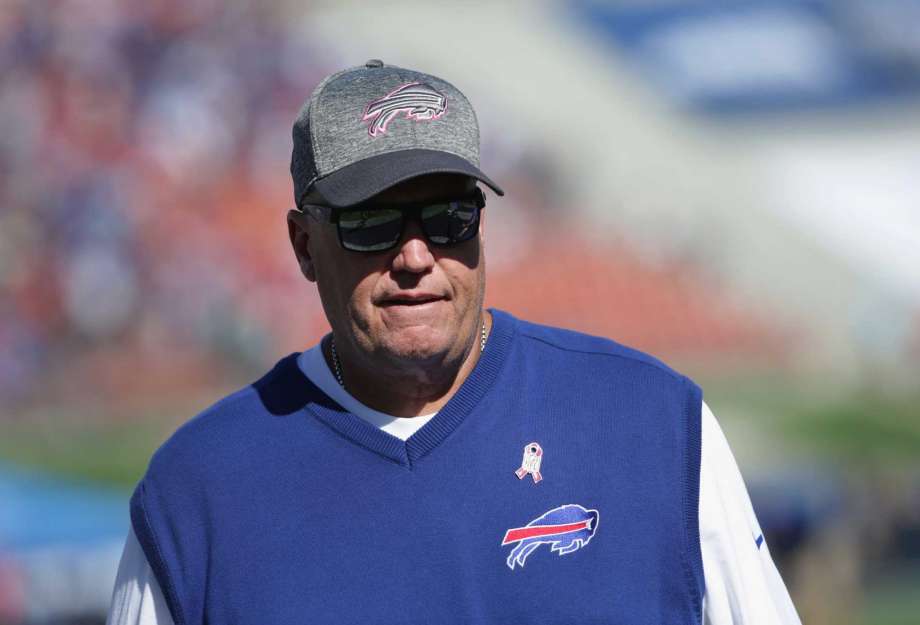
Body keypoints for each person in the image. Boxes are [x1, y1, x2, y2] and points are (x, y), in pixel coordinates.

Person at [107, 61, 802, 625]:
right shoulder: (197, 492)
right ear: (303, 244)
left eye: (447, 216)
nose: (416, 255)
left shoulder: (654, 424)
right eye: (371, 222)